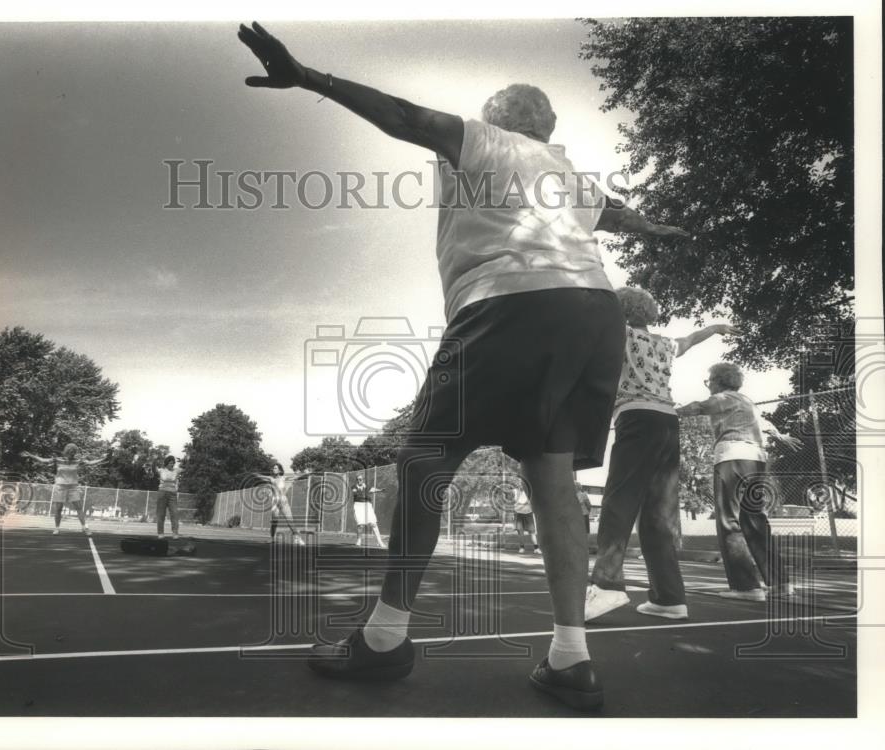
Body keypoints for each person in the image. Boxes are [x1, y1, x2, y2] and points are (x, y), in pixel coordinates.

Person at [238, 22, 689, 709]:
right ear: (551, 126)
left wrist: (311, 78)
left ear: (495, 118)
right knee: (551, 479)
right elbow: (617, 217)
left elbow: (404, 117)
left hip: (511, 301)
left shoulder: (485, 141)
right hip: (594, 313)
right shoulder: (567, 175)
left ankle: (385, 640)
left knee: (422, 462)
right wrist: (653, 227)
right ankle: (571, 655)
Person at [586, 287, 740, 622]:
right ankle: (669, 597)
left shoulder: (616, 332)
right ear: (649, 313)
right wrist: (714, 328)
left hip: (636, 418)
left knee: (619, 500)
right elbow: (691, 338)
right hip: (668, 422)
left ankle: (607, 584)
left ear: (620, 311)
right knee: (658, 513)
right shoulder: (664, 344)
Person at [676, 363, 802, 601]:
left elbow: (699, 407)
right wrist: (781, 436)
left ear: (719, 380)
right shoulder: (747, 401)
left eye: (709, 380)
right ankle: (780, 583)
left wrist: (673, 412)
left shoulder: (723, 397)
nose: (709, 385)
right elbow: (765, 424)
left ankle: (746, 586)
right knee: (755, 520)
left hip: (732, 457)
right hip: (756, 460)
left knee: (729, 520)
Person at [21, 444, 107, 536]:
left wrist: (102, 459)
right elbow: (43, 460)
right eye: (70, 452)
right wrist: (31, 455)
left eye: (73, 452)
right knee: (58, 509)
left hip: (73, 487)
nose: (72, 454)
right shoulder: (58, 460)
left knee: (79, 508)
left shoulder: (78, 461)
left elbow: (90, 463)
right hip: (60, 487)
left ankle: (84, 527)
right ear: (66, 452)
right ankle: (57, 528)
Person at [254, 463, 306, 546]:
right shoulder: (271, 479)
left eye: (275, 468)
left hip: (283, 500)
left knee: (290, 520)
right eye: (273, 468)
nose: (273, 469)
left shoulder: (284, 478)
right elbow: (262, 477)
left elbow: (296, 477)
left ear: (280, 470)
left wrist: (304, 472)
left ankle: (297, 538)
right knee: (274, 522)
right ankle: (272, 539)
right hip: (275, 501)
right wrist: (255, 474)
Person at [352, 473, 387, 549]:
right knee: (360, 525)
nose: (359, 481)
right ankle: (359, 539)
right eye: (358, 479)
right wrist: (368, 492)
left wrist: (380, 490)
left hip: (367, 505)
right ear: (356, 480)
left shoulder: (367, 487)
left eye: (360, 479)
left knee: (374, 524)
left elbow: (372, 489)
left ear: (363, 480)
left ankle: (380, 542)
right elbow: (356, 494)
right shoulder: (354, 487)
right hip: (358, 506)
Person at [157, 455, 180, 540]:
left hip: (173, 494)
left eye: (173, 463)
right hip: (162, 493)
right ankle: (160, 533)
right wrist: (154, 462)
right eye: (170, 463)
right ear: (166, 463)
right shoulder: (161, 470)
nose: (172, 464)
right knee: (161, 514)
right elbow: (153, 469)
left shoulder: (176, 471)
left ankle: (175, 533)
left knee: (175, 513)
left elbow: (186, 470)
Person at [512, 484, 538, 554]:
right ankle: (522, 547)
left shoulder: (530, 492)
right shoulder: (515, 491)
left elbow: (529, 502)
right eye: (520, 484)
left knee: (532, 532)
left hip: (528, 513)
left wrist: (523, 503)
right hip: (518, 513)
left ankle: (536, 548)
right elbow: (515, 501)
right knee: (520, 532)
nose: (521, 486)